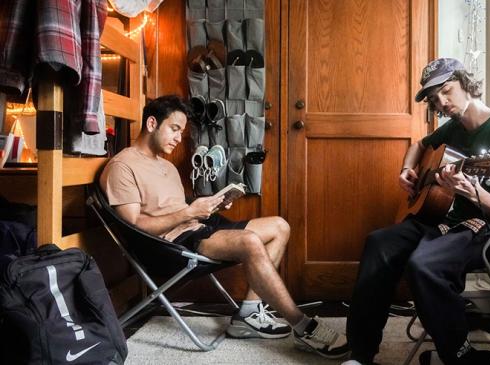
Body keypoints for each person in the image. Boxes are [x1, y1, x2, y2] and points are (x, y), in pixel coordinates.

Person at [100, 95, 348, 359]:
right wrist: (189, 212)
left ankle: (249, 314)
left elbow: (174, 207)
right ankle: (302, 326)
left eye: (182, 132)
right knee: (250, 241)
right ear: (152, 123)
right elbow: (134, 225)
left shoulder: (167, 166)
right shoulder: (123, 166)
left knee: (279, 226)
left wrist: (211, 205)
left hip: (198, 226)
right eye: (174, 129)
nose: (178, 137)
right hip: (171, 245)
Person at [344, 58, 490, 365]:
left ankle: (462, 355)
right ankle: (362, 354)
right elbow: (419, 145)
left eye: (447, 91)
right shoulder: (453, 130)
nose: (442, 103)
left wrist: (474, 192)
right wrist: (407, 169)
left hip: (486, 229)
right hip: (441, 219)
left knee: (424, 264)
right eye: (435, 99)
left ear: (466, 83)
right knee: (379, 243)